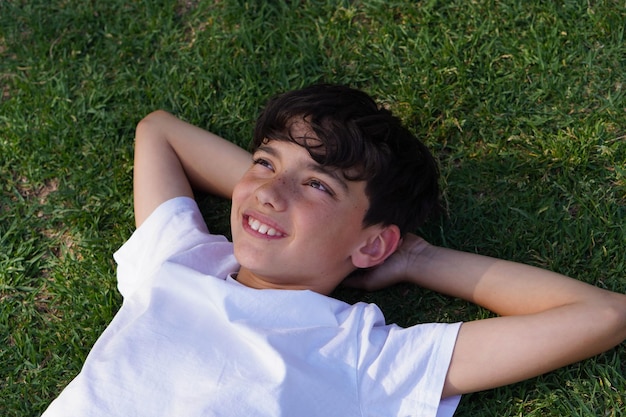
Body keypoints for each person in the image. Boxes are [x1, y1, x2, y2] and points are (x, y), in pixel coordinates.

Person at [42, 84, 626, 416]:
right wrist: (277, 190)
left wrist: (415, 259)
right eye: (264, 163)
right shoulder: (178, 262)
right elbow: (159, 131)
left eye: (318, 185)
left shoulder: (367, 358)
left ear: (374, 241)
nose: (269, 191)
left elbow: (602, 315)